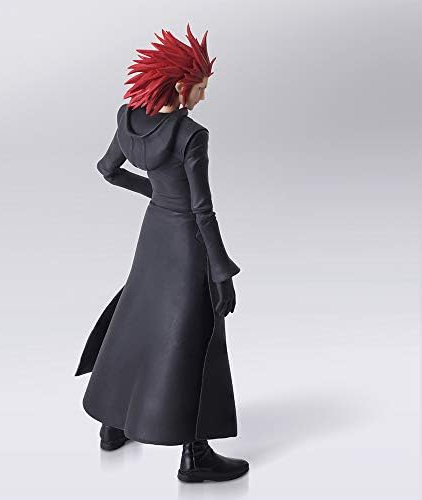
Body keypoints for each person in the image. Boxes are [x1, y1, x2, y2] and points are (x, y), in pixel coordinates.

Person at [75, 23, 249, 483]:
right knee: (196, 335)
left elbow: (108, 169)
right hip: (187, 241)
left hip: (153, 235)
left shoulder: (129, 117)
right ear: (178, 86)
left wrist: (155, 194)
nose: (204, 96)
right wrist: (221, 270)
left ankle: (113, 426)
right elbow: (202, 209)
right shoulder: (191, 135)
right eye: (201, 87)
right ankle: (196, 456)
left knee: (138, 318)